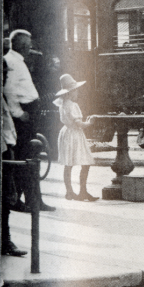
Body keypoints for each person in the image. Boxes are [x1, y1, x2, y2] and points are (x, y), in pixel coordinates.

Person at [5, 29, 54, 212]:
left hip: (29, 114)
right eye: (27, 44)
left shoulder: (18, 61)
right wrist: (18, 113)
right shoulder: (11, 61)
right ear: (21, 45)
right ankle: (21, 200)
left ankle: (34, 200)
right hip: (23, 117)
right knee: (25, 159)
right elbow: (9, 90)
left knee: (31, 158)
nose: (30, 47)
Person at [54, 74, 98, 202]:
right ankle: (83, 191)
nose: (77, 92)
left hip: (66, 133)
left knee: (68, 164)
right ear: (70, 92)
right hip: (74, 134)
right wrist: (90, 122)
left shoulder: (62, 104)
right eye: (75, 90)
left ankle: (69, 191)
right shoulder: (73, 105)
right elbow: (79, 124)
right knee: (86, 162)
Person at [1, 61, 26, 257]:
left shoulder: (1, 95)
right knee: (3, 198)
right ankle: (4, 241)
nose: (5, 77)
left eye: (5, 73)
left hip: (6, 149)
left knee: (7, 199)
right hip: (1, 152)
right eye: (2, 73)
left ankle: (5, 240)